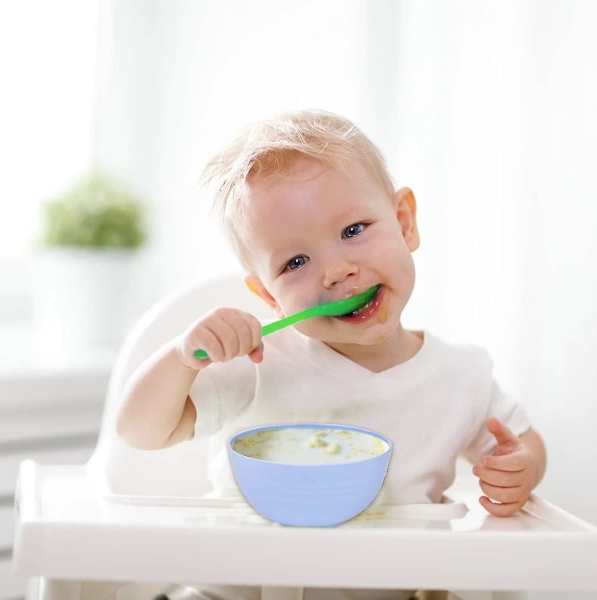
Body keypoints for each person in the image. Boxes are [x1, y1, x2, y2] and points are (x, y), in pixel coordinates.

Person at [116, 109, 547, 600]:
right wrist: (181, 358)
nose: (337, 272)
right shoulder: (260, 361)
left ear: (404, 222)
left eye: (354, 230)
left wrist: (522, 469)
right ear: (268, 296)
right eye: (295, 262)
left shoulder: (461, 376)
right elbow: (139, 431)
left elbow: (523, 444)